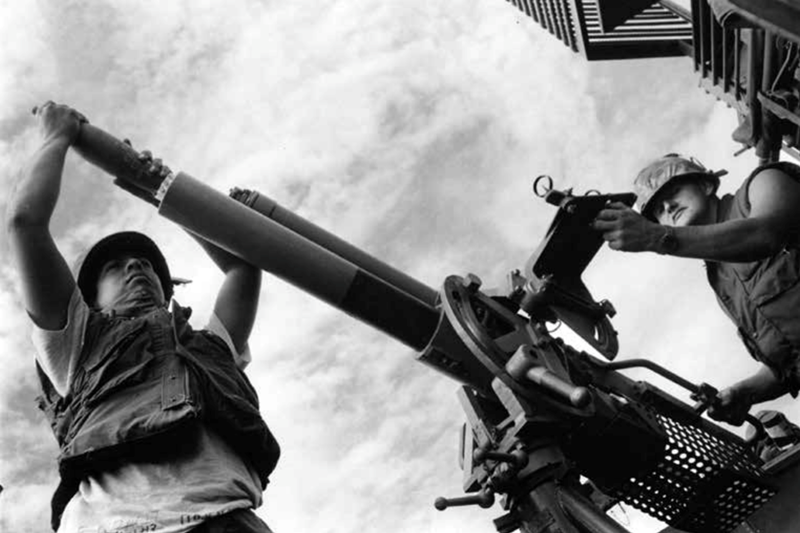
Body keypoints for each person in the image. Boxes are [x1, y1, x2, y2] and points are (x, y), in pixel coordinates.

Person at [6, 102, 280, 533]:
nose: (135, 267)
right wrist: (57, 137)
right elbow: (25, 224)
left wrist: (153, 185)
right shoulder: (75, 341)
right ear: (90, 301)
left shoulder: (210, 346)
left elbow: (244, 266)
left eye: (146, 264)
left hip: (230, 521)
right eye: (115, 267)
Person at [591, 153, 800, 426]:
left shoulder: (761, 184)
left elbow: (766, 232)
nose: (667, 206)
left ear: (706, 185)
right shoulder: (721, 281)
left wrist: (658, 238)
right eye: (658, 211)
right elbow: (790, 362)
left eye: (674, 190)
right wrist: (745, 392)